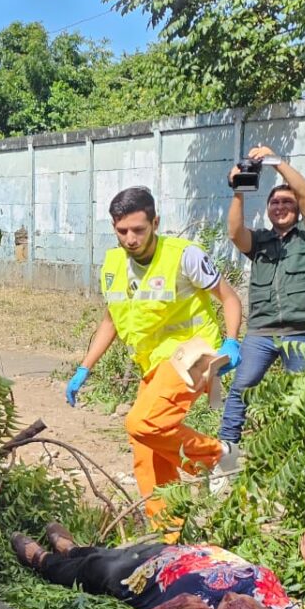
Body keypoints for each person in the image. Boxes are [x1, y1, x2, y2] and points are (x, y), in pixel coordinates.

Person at [65, 186, 243, 532]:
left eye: (138, 230)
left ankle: (218, 456)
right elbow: (112, 319)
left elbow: (230, 299)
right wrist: (85, 367)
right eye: (122, 231)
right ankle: (168, 533)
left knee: (141, 423)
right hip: (153, 363)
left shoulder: (184, 255)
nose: (130, 239)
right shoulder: (113, 263)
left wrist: (231, 342)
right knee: (145, 449)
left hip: (192, 354)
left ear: (155, 222)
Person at [11, 524, 305, 609]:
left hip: (142, 576)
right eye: (240, 600)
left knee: (99, 568)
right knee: (105, 553)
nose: (230, 596)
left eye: (227, 606)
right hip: (178, 553)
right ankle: (71, 548)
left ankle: (41, 560)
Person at [216, 146, 305, 477]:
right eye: (275, 203)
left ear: (296, 210)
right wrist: (239, 192)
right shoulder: (260, 242)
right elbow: (235, 233)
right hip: (261, 334)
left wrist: (276, 162)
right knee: (240, 390)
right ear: (267, 210)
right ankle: (226, 461)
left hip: (303, 333)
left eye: (287, 203)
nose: (281, 207)